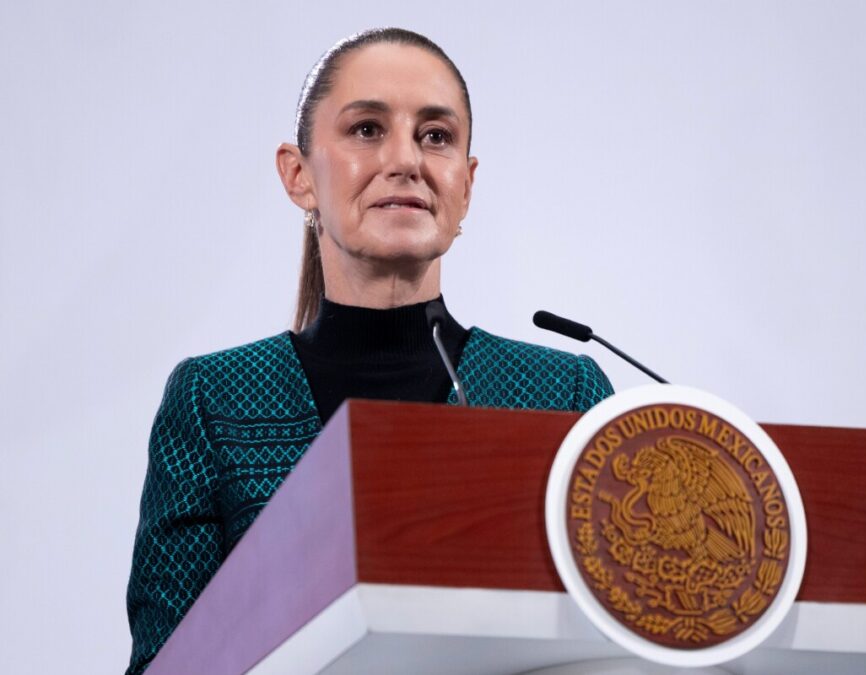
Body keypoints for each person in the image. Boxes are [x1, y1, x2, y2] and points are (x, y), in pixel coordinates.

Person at [124, 28, 613, 674]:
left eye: (435, 135)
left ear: (465, 185)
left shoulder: (563, 394)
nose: (405, 159)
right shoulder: (212, 400)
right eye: (366, 129)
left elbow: (625, 629)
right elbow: (165, 661)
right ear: (298, 176)